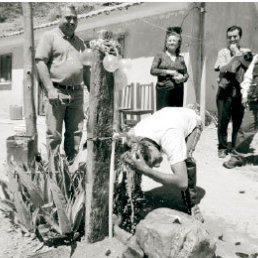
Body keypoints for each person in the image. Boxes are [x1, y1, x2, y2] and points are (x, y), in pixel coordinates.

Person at [124, 107, 204, 222]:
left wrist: (147, 170)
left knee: (186, 159)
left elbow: (182, 182)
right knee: (136, 163)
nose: (157, 166)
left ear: (150, 146)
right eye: (153, 165)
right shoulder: (136, 133)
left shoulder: (171, 138)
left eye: (153, 162)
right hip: (170, 117)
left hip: (192, 121)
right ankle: (136, 198)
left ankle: (191, 205)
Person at [35, 4, 90, 169]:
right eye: (68, 18)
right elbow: (40, 62)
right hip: (56, 92)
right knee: (54, 135)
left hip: (77, 94)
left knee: (75, 135)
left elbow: (86, 69)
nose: (72, 21)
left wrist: (93, 93)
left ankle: (70, 170)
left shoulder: (81, 43)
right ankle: (54, 172)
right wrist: (50, 89)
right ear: (58, 18)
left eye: (75, 18)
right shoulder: (49, 37)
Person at [214, 25, 251, 158]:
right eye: (229, 37)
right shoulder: (223, 52)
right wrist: (235, 56)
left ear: (240, 37)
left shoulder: (246, 51)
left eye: (235, 36)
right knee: (223, 121)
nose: (232, 39)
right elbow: (222, 68)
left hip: (239, 91)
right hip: (224, 91)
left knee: (237, 120)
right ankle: (222, 147)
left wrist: (239, 55)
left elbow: (249, 66)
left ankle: (235, 146)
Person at [223, 54, 258, 169]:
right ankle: (236, 157)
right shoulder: (257, 58)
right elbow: (248, 77)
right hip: (254, 101)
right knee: (245, 129)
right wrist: (244, 95)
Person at [150, 27, 189, 110]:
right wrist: (169, 72)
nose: (172, 42)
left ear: (178, 44)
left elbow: (186, 74)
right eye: (169, 41)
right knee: (164, 116)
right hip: (164, 91)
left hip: (178, 92)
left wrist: (182, 78)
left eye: (174, 41)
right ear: (166, 44)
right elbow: (153, 70)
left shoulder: (180, 58)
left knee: (177, 115)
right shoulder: (160, 55)